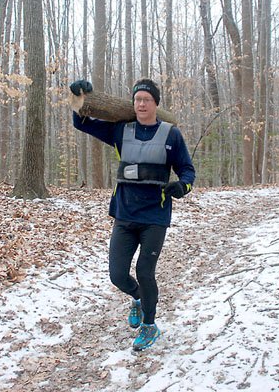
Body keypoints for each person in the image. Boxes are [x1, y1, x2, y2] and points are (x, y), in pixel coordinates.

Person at [69, 78, 196, 351]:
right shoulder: (120, 130)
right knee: (117, 275)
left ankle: (150, 326)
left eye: (146, 99)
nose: (141, 104)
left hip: (155, 216)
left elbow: (187, 170)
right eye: (137, 99)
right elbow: (81, 123)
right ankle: (138, 298)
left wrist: (182, 186)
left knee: (145, 271)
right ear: (133, 103)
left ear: (155, 104)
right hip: (125, 214)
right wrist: (78, 97)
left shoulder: (170, 135)